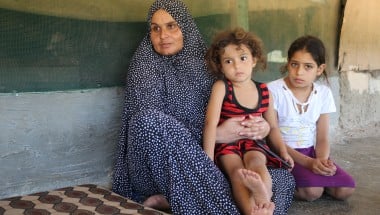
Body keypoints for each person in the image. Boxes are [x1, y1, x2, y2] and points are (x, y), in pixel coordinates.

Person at [112, 0, 295, 214]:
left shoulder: (207, 62)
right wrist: (216, 134)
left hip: (213, 158)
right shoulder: (144, 66)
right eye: (156, 28)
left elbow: (235, 106)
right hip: (160, 166)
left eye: (171, 25)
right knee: (148, 120)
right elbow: (156, 134)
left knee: (282, 179)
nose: (163, 35)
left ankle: (247, 207)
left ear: (185, 26)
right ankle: (224, 206)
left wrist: (261, 127)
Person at [203, 28, 294, 215]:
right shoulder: (222, 87)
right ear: (220, 66)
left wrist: (283, 151)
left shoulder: (264, 91)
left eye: (243, 58)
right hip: (227, 146)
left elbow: (273, 126)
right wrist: (208, 160)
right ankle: (252, 210)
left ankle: (262, 195)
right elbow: (210, 124)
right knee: (237, 172)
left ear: (254, 60)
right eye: (229, 61)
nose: (237, 66)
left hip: (254, 143)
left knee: (257, 165)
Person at [267, 35, 355, 202]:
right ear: (288, 63)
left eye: (308, 67)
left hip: (310, 152)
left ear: (320, 69)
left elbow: (321, 137)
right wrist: (308, 163)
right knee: (313, 192)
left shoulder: (323, 93)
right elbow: (272, 139)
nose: (299, 72)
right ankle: (282, 184)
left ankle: (315, 181)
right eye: (294, 64)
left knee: (345, 189)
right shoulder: (272, 91)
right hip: (282, 154)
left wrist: (321, 161)